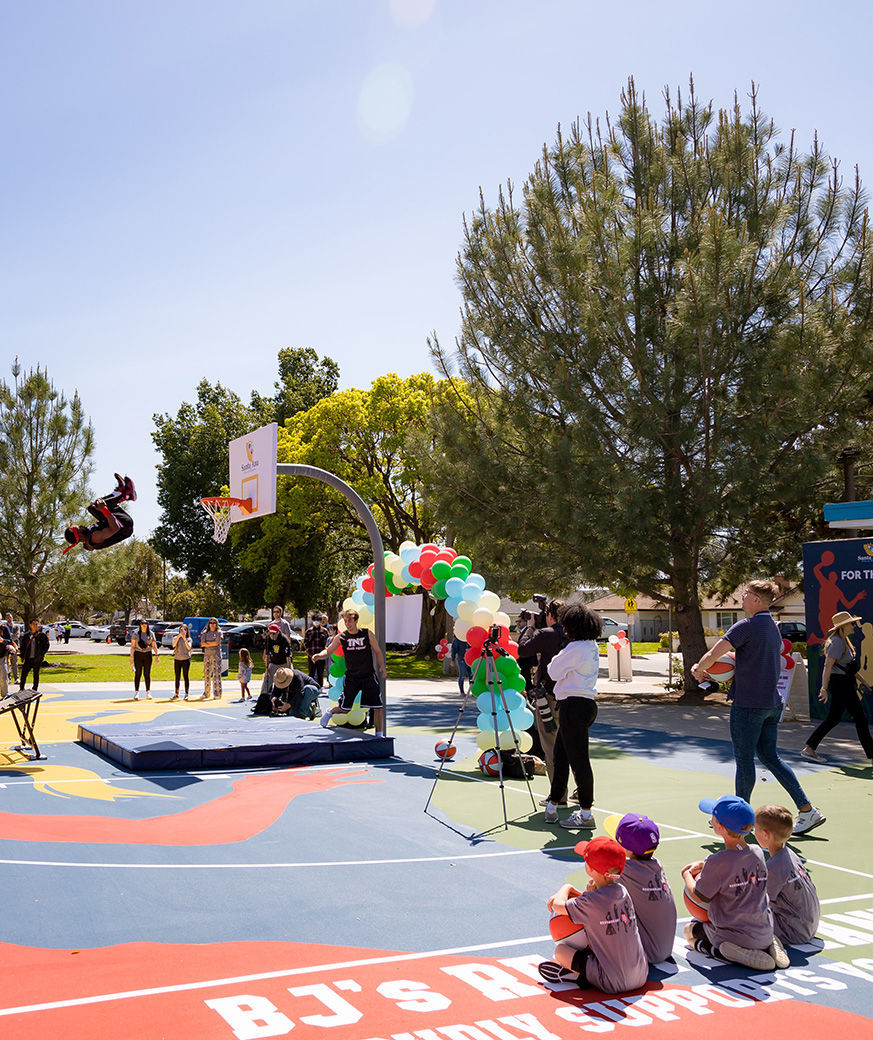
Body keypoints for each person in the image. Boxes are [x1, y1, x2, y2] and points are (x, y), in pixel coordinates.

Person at [691, 579, 825, 836]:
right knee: (770, 757)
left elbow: (713, 655)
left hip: (749, 705)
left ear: (756, 600)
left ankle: (736, 820)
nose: (741, 598)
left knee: (744, 761)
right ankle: (807, 810)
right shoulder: (773, 628)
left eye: (745, 594)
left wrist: (699, 670)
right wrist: (718, 674)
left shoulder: (746, 626)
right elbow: (750, 664)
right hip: (771, 704)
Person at [682, 794, 788, 971]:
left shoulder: (717, 862)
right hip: (764, 930)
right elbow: (737, 865)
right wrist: (705, 865)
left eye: (713, 818)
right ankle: (770, 944)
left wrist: (686, 875)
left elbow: (699, 896)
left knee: (688, 931)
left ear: (720, 827)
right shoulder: (758, 852)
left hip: (735, 935)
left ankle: (728, 952)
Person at [537, 835, 648, 994]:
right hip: (641, 975)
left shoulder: (592, 902)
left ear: (590, 869)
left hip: (612, 983)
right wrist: (587, 893)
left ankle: (578, 977)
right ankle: (584, 972)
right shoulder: (624, 893)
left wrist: (566, 888)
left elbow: (557, 906)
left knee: (560, 951)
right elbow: (601, 906)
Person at [543, 602, 602, 829]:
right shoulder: (590, 646)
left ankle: (586, 814)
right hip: (582, 705)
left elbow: (553, 670)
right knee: (561, 756)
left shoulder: (576, 647)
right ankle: (553, 804)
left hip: (573, 706)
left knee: (578, 761)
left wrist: (559, 659)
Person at [604, 812, 677, 964]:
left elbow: (597, 893)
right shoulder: (657, 865)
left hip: (645, 953)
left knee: (598, 909)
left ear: (627, 849)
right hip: (665, 950)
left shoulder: (625, 870)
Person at [802, 610, 873, 763]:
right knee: (861, 719)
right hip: (840, 685)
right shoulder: (837, 642)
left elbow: (848, 668)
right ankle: (871, 754)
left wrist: (863, 682)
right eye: (852, 623)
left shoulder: (844, 640)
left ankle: (810, 748)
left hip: (845, 683)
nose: (854, 625)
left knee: (833, 719)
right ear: (844, 626)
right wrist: (824, 688)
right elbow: (828, 667)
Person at [518, 599, 567, 807]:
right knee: (572, 747)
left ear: (550, 615)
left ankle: (558, 796)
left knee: (550, 746)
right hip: (570, 697)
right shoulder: (575, 636)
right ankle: (579, 791)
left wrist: (530, 628)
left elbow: (522, 650)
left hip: (548, 696)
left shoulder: (547, 634)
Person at [755, 804, 821, 946]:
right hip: (809, 926)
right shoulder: (791, 854)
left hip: (793, 932)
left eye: (755, 829)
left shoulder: (774, 867)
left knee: (740, 918)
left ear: (766, 834)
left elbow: (757, 905)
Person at [315, 608, 387, 737]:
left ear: (356, 620)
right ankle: (330, 712)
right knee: (344, 710)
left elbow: (377, 650)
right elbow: (328, 651)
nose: (347, 624)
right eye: (345, 621)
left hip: (368, 676)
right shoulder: (341, 637)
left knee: (378, 708)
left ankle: (379, 735)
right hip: (352, 678)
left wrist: (382, 666)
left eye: (350, 621)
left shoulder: (367, 634)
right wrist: (318, 656)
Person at [63, 475, 136, 553]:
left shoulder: (89, 536)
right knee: (100, 507)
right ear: (79, 534)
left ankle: (121, 493)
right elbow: (115, 529)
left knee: (93, 508)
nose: (81, 526)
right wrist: (104, 509)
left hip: (118, 522)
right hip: (124, 526)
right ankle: (126, 495)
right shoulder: (94, 537)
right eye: (79, 527)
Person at [262, 622, 293, 698]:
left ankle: (289, 697)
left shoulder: (284, 640)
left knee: (289, 679)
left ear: (278, 632)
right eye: (270, 633)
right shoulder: (268, 639)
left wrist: (288, 670)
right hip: (273, 662)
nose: (272, 635)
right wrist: (266, 669)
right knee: (267, 680)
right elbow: (268, 655)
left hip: (285, 662)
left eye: (274, 633)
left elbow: (288, 657)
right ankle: (262, 700)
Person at [18, 619, 50, 692]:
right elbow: (23, 647)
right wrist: (22, 656)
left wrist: (41, 654)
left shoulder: (41, 635)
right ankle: (21, 688)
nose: (35, 626)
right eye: (33, 624)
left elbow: (46, 645)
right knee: (24, 674)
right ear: (30, 625)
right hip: (28, 658)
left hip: (37, 659)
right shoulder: (26, 636)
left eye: (36, 624)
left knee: (36, 675)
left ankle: (35, 689)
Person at [129, 619, 158, 700]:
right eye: (142, 623)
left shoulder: (151, 634)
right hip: (138, 654)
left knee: (147, 673)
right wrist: (131, 657)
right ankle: (136, 693)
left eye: (145, 623)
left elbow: (154, 645)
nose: (144, 625)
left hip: (148, 655)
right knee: (138, 674)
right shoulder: (136, 634)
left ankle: (148, 692)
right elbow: (132, 646)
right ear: (140, 625)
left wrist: (157, 655)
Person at [303, 614, 328, 688]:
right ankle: (311, 687)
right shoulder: (309, 631)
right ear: (313, 621)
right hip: (311, 655)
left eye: (318, 620)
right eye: (315, 620)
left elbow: (327, 642)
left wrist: (324, 653)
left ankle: (320, 687)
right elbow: (305, 642)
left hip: (321, 656)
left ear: (321, 621)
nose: (316, 622)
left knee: (320, 672)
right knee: (311, 672)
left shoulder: (324, 631)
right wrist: (308, 652)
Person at [200, 617, 223, 699]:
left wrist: (208, 643)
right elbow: (202, 643)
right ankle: (206, 692)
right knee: (206, 674)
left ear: (216, 624)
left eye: (214, 622)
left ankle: (217, 693)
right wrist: (211, 643)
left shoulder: (218, 632)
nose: (212, 624)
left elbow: (217, 642)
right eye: (211, 622)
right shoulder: (205, 633)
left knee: (216, 674)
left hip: (216, 655)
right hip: (207, 655)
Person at [171, 623, 193, 700]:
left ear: (187, 631)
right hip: (177, 659)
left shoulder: (188, 639)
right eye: (182, 629)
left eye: (185, 629)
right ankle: (176, 693)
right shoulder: (175, 637)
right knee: (177, 677)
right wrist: (178, 637)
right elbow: (173, 645)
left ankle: (186, 693)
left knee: (185, 676)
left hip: (186, 659)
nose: (183, 631)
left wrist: (184, 639)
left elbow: (189, 648)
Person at [5, 614, 20, 685]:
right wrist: (10, 636)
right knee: (7, 663)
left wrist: (9, 638)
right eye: (7, 617)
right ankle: (8, 678)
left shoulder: (16, 627)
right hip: (6, 647)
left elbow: (17, 636)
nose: (9, 618)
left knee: (14, 663)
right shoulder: (4, 627)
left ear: (12, 618)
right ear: (6, 618)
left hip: (14, 647)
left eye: (10, 617)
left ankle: (16, 678)